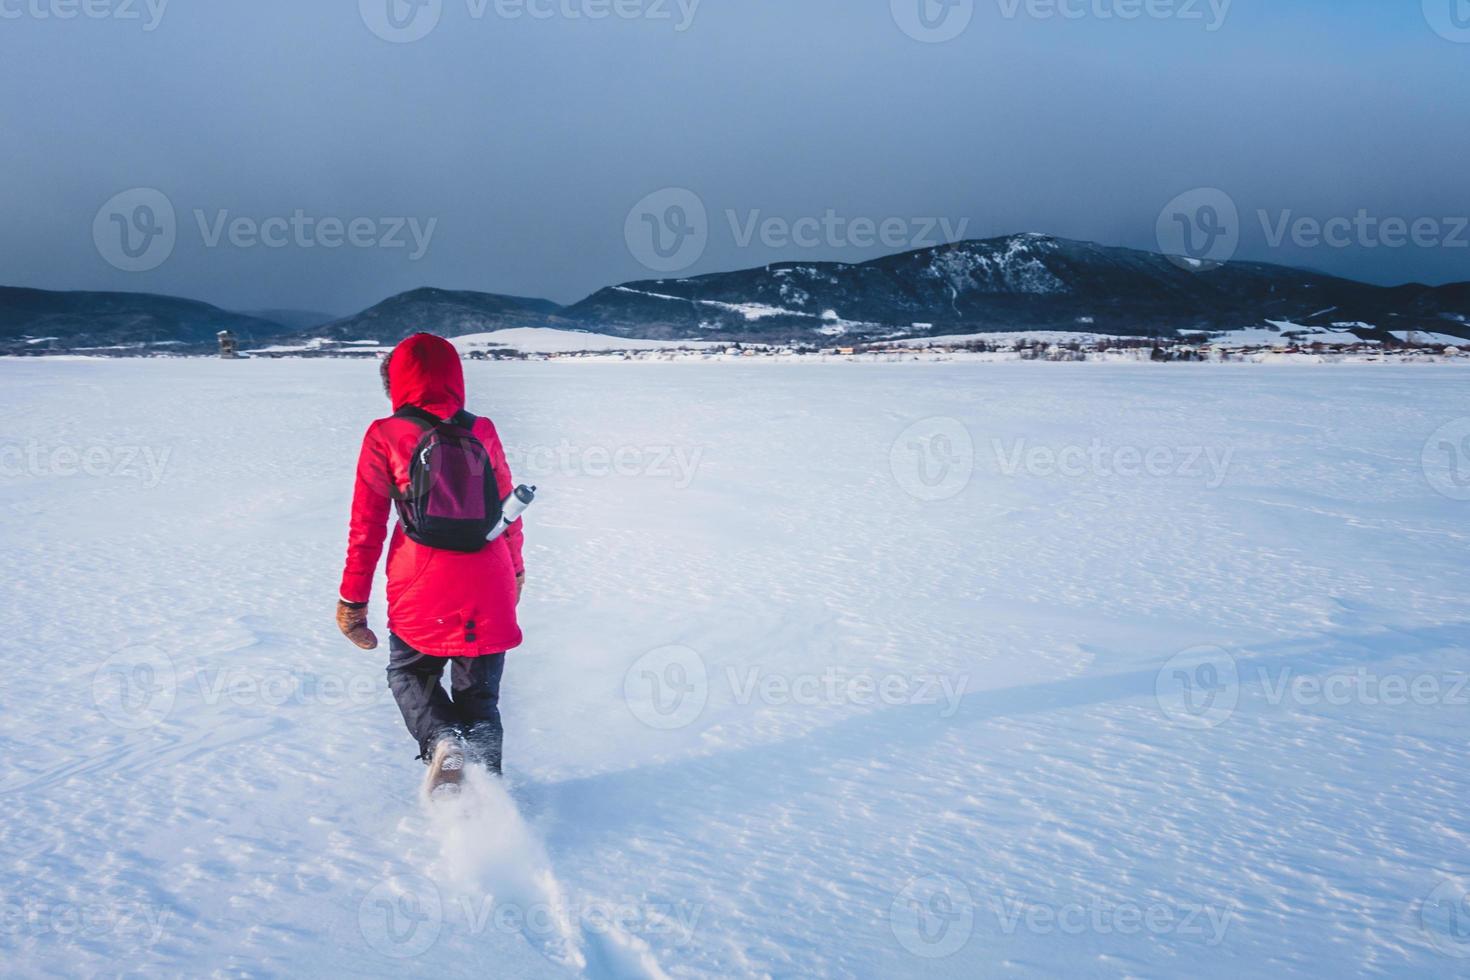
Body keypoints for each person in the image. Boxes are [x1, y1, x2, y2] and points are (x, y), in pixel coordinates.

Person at [335, 333, 525, 784]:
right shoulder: (482, 429)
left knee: (410, 672)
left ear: (395, 383)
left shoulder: (385, 435)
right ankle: (487, 799)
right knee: (480, 698)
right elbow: (508, 511)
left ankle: (442, 740)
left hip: (421, 586)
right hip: (490, 582)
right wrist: (515, 571)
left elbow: (366, 528)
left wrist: (352, 604)